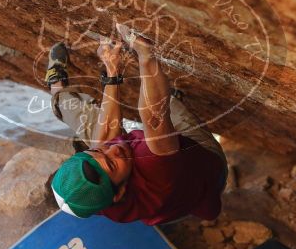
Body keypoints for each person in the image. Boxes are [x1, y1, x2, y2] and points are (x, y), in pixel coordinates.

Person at [47, 23, 227, 225]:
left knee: (79, 118)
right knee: (169, 104)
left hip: (166, 200)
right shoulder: (154, 170)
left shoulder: (95, 199)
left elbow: (105, 138)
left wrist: (112, 72)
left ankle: (56, 85)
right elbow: (153, 117)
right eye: (112, 164)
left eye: (98, 153)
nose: (113, 149)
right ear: (119, 193)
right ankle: (176, 97)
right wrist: (144, 52)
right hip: (204, 165)